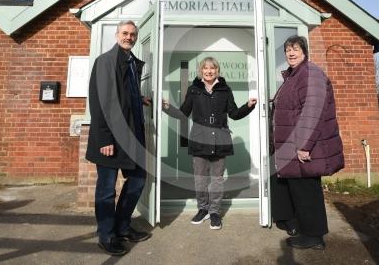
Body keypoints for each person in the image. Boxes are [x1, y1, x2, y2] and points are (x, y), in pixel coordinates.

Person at [162, 57, 257, 230]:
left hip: (220, 140)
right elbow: (183, 113)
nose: (209, 71)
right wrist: (166, 107)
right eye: (205, 68)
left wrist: (248, 106)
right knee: (200, 179)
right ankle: (202, 209)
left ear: (217, 71)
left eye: (212, 68)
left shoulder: (225, 90)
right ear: (201, 71)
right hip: (199, 140)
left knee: (217, 180)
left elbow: (234, 113)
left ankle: (214, 212)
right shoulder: (194, 89)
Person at [270, 35, 344, 250]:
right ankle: (306, 230)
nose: (291, 53)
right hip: (291, 146)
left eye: (295, 49)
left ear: (304, 51)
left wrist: (304, 146)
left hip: (302, 147)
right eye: (287, 50)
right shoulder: (295, 75)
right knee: (299, 191)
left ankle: (314, 237)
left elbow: (312, 112)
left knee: (307, 192)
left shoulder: (310, 74)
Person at [86, 20, 152, 256]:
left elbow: (124, 95)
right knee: (106, 190)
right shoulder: (106, 61)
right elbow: (100, 101)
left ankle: (122, 226)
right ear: (117, 35)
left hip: (131, 137)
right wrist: (104, 139)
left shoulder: (132, 63)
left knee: (138, 180)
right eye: (125, 33)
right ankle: (106, 235)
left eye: (133, 34)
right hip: (110, 139)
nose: (129, 37)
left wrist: (140, 99)